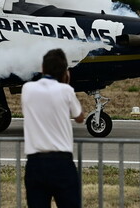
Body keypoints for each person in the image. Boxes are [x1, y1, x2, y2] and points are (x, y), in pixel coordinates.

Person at [21, 48, 85, 208]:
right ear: (65, 72)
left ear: (42, 68)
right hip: (61, 163)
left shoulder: (27, 89)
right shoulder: (66, 90)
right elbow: (79, 117)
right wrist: (66, 83)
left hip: (35, 163)